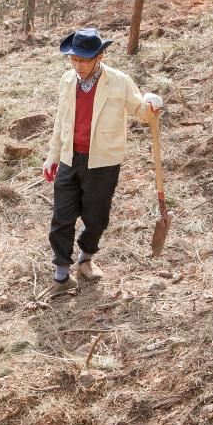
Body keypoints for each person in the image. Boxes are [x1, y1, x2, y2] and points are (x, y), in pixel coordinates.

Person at [42, 28, 163, 293]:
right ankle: (61, 274)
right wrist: (52, 156)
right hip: (69, 157)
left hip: (104, 160)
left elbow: (141, 111)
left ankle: (86, 258)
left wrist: (151, 104)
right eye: (74, 59)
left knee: (97, 217)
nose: (78, 65)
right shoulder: (66, 81)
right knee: (62, 217)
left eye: (84, 60)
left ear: (101, 56)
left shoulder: (119, 81)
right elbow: (60, 122)